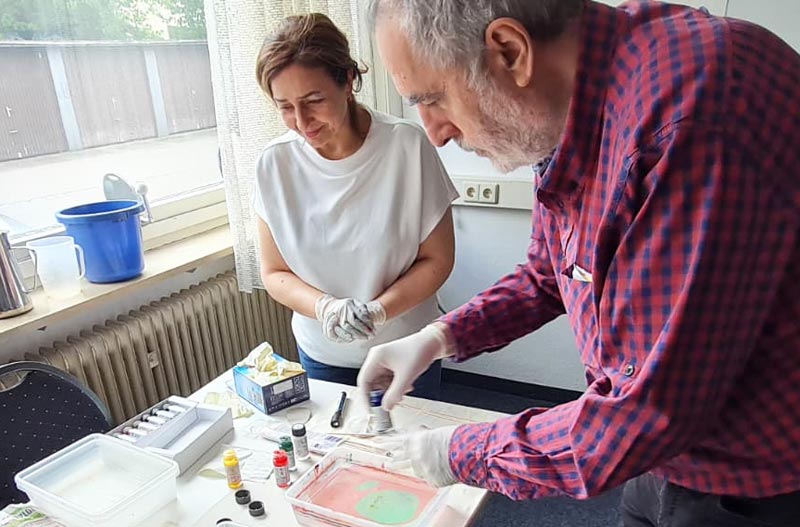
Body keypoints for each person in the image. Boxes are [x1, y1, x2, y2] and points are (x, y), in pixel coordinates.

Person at [358, 0, 800, 525]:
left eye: (433, 99)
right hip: (657, 457)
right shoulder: (565, 106)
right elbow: (548, 273)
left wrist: (461, 453)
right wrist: (440, 336)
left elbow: (649, 411)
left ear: (510, 51)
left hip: (752, 480)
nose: (435, 132)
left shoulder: (691, 116)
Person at [253, 13, 458, 397]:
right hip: (321, 353)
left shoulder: (406, 146)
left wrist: (378, 311)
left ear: (348, 81)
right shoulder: (274, 164)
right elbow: (274, 271)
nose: (302, 121)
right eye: (285, 107)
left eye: (314, 101)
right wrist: (326, 308)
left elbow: (438, 259)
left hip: (405, 348)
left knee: (411, 434)